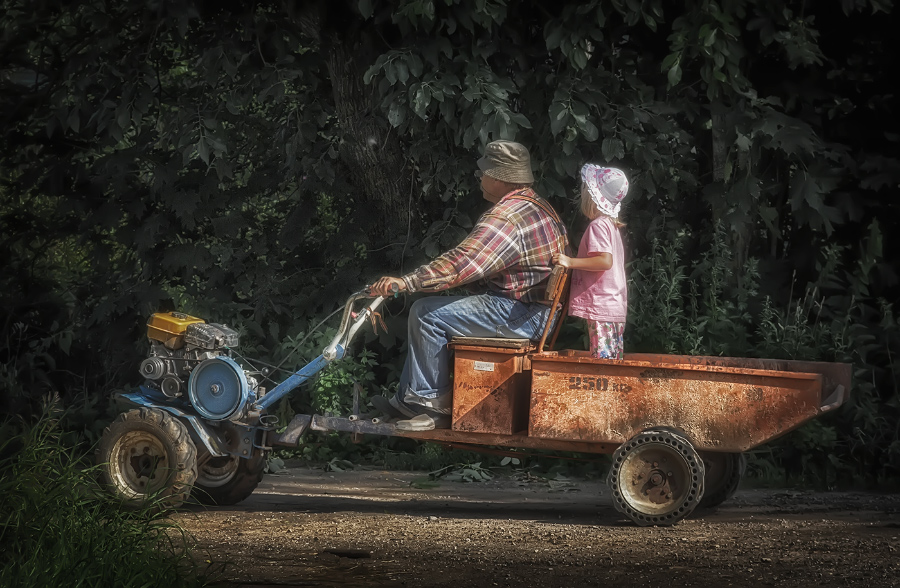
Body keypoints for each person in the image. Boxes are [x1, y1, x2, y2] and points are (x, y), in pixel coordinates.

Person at [369, 140, 569, 431]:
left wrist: (407, 282)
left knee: (426, 314)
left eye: (483, 173)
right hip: (536, 312)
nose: (480, 179)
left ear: (499, 178)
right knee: (436, 308)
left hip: (522, 315)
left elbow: (462, 263)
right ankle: (407, 400)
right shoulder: (539, 207)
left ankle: (428, 404)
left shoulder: (506, 218)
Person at [552, 164, 628, 360]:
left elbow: (604, 261)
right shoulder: (611, 226)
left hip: (603, 305)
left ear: (593, 198)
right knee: (611, 359)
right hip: (612, 304)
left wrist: (570, 261)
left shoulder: (598, 226)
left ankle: (604, 391)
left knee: (603, 363)